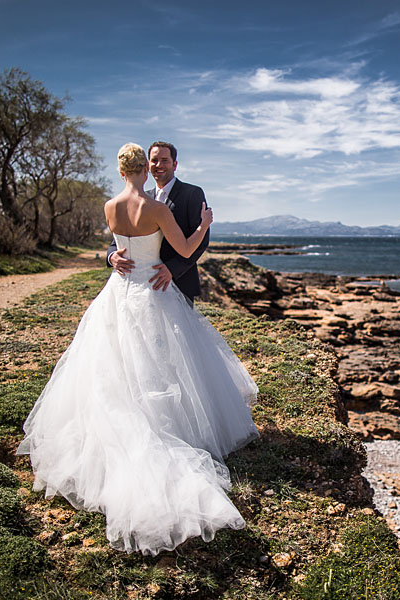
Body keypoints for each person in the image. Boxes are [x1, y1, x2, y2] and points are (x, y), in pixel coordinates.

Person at [18, 143, 259, 556]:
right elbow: (184, 250)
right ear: (144, 170)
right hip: (152, 292)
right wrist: (205, 225)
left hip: (119, 294)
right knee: (163, 364)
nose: (155, 167)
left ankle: (127, 425)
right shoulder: (157, 208)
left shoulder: (111, 206)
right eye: (150, 163)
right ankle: (170, 430)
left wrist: (115, 253)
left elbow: (121, 244)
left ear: (119, 170)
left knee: (117, 365)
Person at [107, 141, 208, 303]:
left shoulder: (192, 194)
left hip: (178, 282)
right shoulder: (144, 198)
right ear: (147, 165)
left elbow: (202, 242)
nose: (159, 165)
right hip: (134, 283)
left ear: (175, 164)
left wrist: (172, 269)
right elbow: (117, 240)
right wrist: (112, 256)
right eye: (154, 160)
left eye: (165, 160)